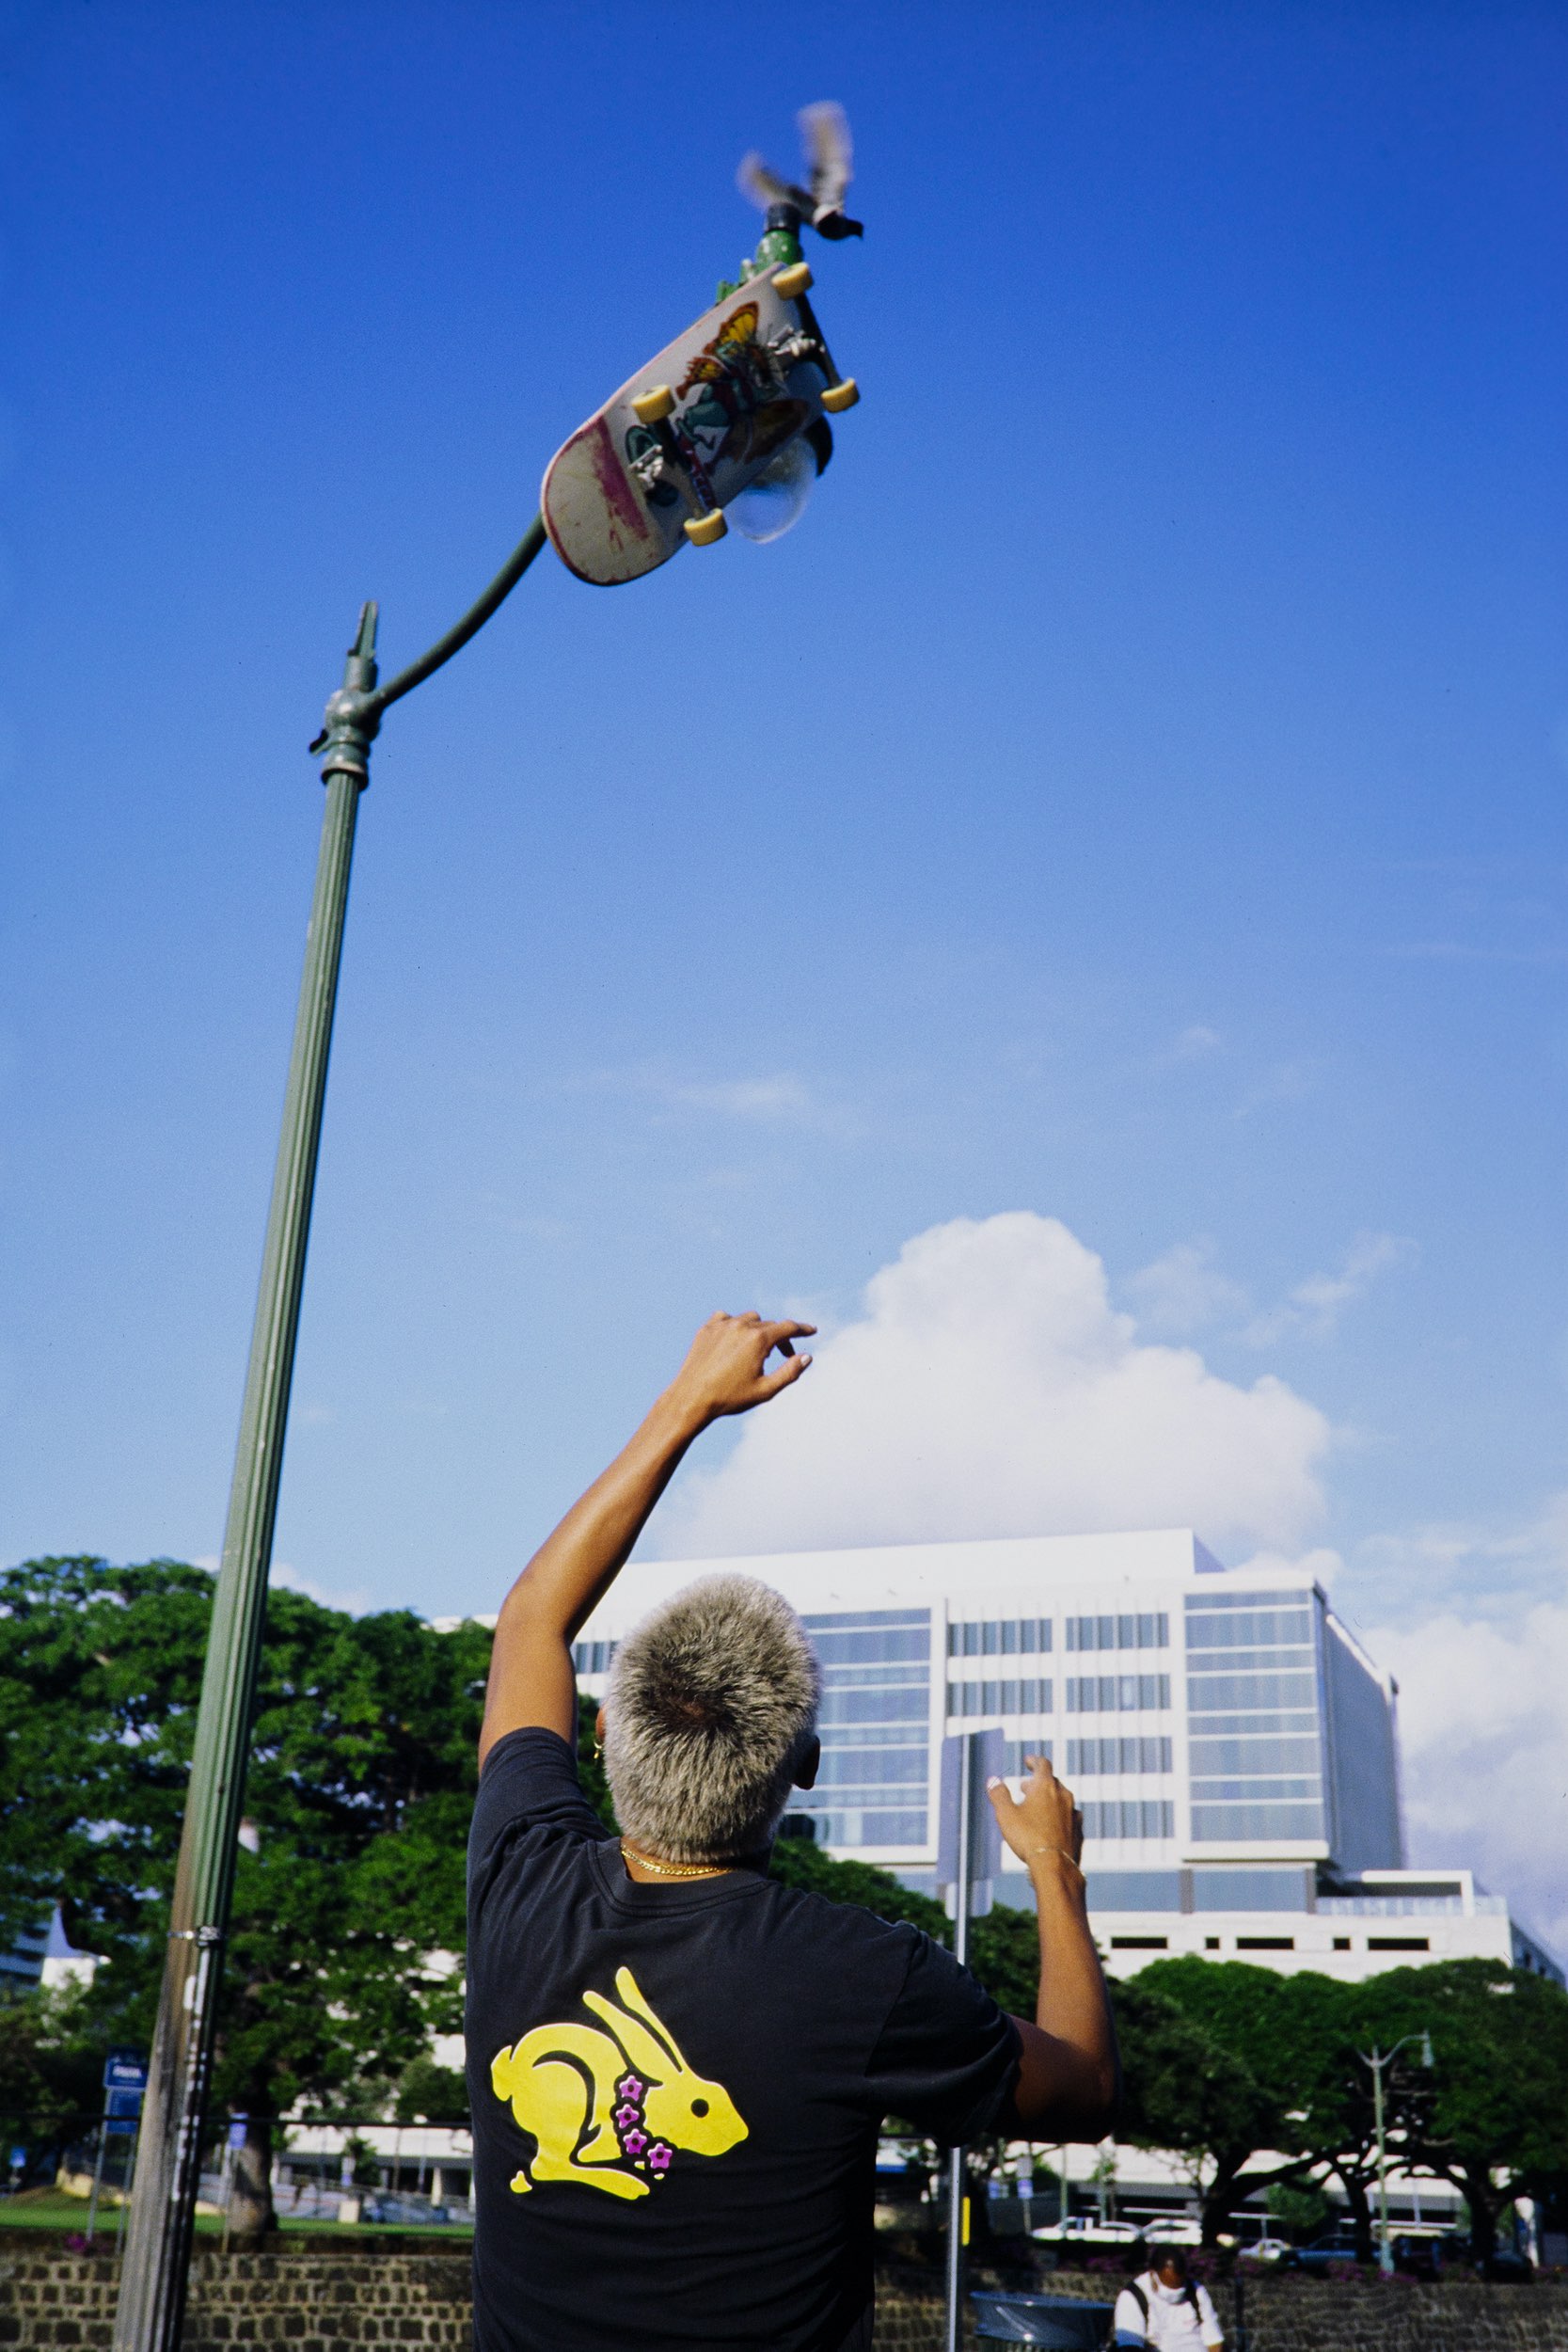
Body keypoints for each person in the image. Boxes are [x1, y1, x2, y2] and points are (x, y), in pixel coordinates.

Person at [467, 1310, 1119, 2352]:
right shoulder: (864, 1972)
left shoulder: (519, 1879)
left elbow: (530, 1621)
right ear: (799, 1767)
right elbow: (1082, 2089)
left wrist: (686, 1406)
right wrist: (1053, 1870)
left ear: (600, 1733)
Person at [1114, 2247, 1225, 2352]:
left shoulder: (1196, 2291)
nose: (1175, 2293)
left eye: (1180, 2287)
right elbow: (1130, 2347)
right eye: (1168, 2287)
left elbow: (1214, 2341)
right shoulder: (1133, 2297)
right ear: (1153, 2274)